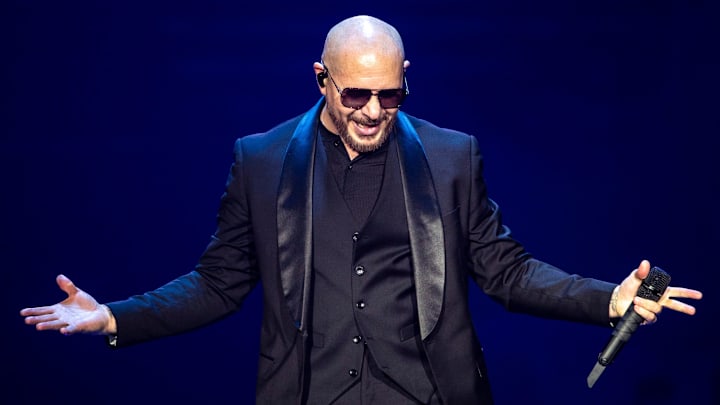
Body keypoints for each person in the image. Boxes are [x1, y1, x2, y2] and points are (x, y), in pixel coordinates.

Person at [20, 15, 702, 404]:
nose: (374, 111)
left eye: (390, 94)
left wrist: (605, 300)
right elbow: (218, 282)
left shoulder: (451, 156)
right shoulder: (260, 160)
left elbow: (506, 270)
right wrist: (115, 315)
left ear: (405, 80)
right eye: (355, 95)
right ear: (322, 80)